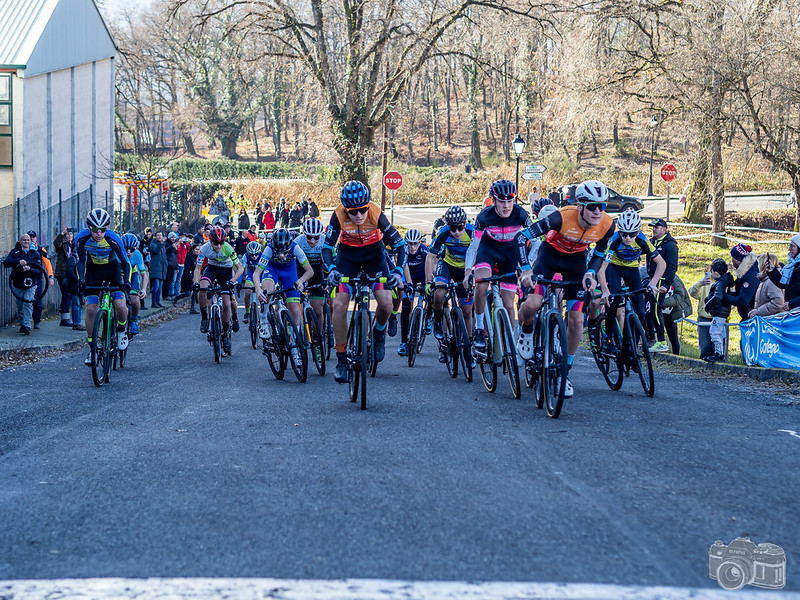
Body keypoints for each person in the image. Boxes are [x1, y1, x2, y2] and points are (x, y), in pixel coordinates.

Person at [516, 180, 616, 397]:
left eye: (602, 206)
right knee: (532, 304)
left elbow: (599, 251)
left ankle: (564, 371)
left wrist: (591, 272)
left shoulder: (608, 225)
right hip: (549, 258)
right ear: (580, 206)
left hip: (576, 263)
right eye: (592, 206)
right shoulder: (560, 217)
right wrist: (525, 269)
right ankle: (525, 328)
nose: (598, 211)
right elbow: (521, 236)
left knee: (577, 319)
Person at [322, 180, 407, 383]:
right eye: (353, 211)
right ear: (345, 209)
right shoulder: (338, 214)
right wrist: (332, 269)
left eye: (362, 210)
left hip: (374, 256)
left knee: (386, 303)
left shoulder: (376, 213)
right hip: (347, 257)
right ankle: (342, 359)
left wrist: (397, 272)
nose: (359, 215)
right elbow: (326, 248)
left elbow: (401, 245)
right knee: (340, 305)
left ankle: (378, 333)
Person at [466, 179, 534, 361]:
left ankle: (509, 345)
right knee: (481, 286)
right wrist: (467, 271)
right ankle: (480, 328)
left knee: (508, 303)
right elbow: (474, 246)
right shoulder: (484, 217)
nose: (506, 205)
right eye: (501, 201)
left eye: (510, 200)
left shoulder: (521, 214)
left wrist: (529, 267)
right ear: (493, 200)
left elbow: (536, 243)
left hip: (510, 254)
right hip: (487, 251)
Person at [597, 210, 665, 353]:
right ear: (619, 232)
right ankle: (608, 339)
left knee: (640, 311)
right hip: (614, 268)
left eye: (632, 234)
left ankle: (630, 345)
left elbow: (662, 264)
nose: (628, 238)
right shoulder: (614, 241)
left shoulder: (642, 240)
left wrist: (653, 283)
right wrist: (605, 290)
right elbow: (601, 268)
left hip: (632, 269)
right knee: (613, 302)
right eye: (624, 234)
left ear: (637, 232)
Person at [75, 208, 131, 365]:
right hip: (93, 272)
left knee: (120, 305)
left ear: (107, 228)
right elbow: (80, 262)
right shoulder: (81, 238)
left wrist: (126, 281)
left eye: (103, 230)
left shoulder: (113, 239)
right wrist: (81, 281)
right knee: (91, 309)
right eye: (95, 229)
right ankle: (92, 349)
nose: (99, 233)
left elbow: (126, 263)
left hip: (112, 271)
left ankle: (121, 331)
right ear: (88, 227)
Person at [426, 205, 474, 355]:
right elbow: (430, 257)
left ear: (465, 224)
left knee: (467, 311)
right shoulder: (443, 232)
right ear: (448, 226)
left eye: (460, 227)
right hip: (447, 265)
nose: (457, 232)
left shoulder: (472, 232)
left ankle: (469, 343)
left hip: (465, 269)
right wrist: (428, 281)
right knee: (439, 294)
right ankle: (438, 320)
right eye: (453, 228)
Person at [193, 225, 244, 357]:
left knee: (227, 304)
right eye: (216, 243)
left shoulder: (227, 248)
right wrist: (196, 282)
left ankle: (226, 334)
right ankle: (204, 318)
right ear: (210, 241)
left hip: (226, 272)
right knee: (203, 288)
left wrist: (232, 281)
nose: (219, 246)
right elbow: (198, 269)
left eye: (221, 242)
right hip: (212, 269)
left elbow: (240, 269)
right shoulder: (204, 248)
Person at [254, 228, 314, 334]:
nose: (282, 256)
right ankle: (263, 319)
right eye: (278, 252)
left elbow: (310, 271)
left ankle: (295, 340)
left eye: (285, 252)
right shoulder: (269, 249)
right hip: (272, 270)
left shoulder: (296, 248)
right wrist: (258, 290)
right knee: (267, 291)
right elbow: (256, 273)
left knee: (294, 309)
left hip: (289, 272)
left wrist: (300, 281)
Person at [645, 218, 679, 352]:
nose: (653, 229)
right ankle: (651, 338)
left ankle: (661, 341)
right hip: (651, 278)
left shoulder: (670, 245)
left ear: (664, 229)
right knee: (648, 311)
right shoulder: (652, 241)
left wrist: (666, 284)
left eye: (656, 227)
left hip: (661, 281)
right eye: (653, 227)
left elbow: (672, 267)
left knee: (655, 310)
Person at [2, 233, 43, 334]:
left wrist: (30, 269)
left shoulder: (35, 253)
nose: (26, 242)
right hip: (17, 283)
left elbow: (39, 271)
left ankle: (27, 325)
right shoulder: (15, 252)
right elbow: (6, 262)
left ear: (30, 241)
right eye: (24, 240)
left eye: (28, 240)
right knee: (20, 304)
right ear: (20, 241)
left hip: (31, 283)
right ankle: (22, 324)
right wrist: (18, 261)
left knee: (28, 302)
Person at [398, 228, 430, 357]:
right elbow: (403, 266)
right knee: (406, 306)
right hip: (409, 275)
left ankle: (428, 318)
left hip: (422, 274)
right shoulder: (404, 250)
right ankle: (404, 342)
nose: (412, 247)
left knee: (430, 292)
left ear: (420, 242)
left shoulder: (423, 250)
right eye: (410, 243)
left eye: (415, 243)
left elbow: (429, 264)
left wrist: (428, 282)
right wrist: (409, 284)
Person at [292, 218, 327, 331]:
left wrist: (326, 281)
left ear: (320, 235)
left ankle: (318, 339)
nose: (312, 241)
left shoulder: (325, 241)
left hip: (318, 274)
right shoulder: (297, 242)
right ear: (304, 234)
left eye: (316, 237)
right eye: (309, 237)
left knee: (318, 310)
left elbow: (330, 262)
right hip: (301, 273)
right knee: (297, 310)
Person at [651, 270, 692, 355]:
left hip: (671, 313)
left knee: (673, 338)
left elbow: (680, 295)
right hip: (658, 312)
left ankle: (676, 355)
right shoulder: (654, 277)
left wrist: (661, 302)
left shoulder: (674, 279)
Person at [703, 258, 734, 362]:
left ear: (716, 273)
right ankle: (719, 353)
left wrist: (708, 305)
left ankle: (718, 354)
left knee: (715, 332)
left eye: (711, 272)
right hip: (722, 312)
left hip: (720, 312)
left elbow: (718, 297)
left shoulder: (720, 283)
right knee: (719, 332)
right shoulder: (725, 281)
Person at [121, 233, 149, 335]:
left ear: (135, 248)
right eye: (126, 249)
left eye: (131, 250)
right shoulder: (116, 252)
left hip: (132, 275)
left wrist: (144, 289)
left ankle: (134, 319)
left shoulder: (137, 255)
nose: (128, 252)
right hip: (118, 274)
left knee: (135, 302)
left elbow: (144, 275)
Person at [723, 243, 759, 321]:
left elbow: (743, 300)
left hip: (752, 318)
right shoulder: (745, 272)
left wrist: (724, 296)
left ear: (736, 259)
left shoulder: (750, 276)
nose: (731, 260)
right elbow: (740, 294)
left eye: (732, 257)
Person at [765, 233, 800, 311]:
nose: (789, 249)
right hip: (793, 312)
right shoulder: (792, 265)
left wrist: (792, 304)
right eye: (789, 246)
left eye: (792, 246)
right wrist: (772, 271)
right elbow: (783, 284)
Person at [54, 226, 79, 327]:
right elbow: (56, 244)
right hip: (62, 272)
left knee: (70, 294)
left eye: (71, 234)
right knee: (66, 294)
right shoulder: (62, 244)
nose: (69, 236)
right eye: (68, 234)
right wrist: (61, 234)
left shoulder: (74, 244)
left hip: (71, 272)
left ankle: (67, 318)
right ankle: (64, 318)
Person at [748, 253, 784, 318]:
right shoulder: (765, 279)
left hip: (773, 322)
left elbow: (778, 302)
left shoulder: (771, 281)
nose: (758, 266)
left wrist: (758, 312)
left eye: (759, 263)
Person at [689, 269, 714, 360]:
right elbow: (692, 292)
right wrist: (700, 284)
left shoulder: (725, 282)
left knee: (718, 346)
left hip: (718, 318)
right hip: (704, 318)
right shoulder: (704, 282)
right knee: (705, 346)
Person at [241, 241, 264, 324]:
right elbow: (242, 269)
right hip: (250, 275)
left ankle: (263, 312)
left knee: (262, 295)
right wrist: (238, 282)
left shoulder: (263, 255)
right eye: (251, 255)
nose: (254, 257)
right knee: (247, 292)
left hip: (261, 275)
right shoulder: (245, 256)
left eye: (256, 254)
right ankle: (247, 312)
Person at [149, 231, 167, 308]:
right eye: (158, 235)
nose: (160, 237)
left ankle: (158, 301)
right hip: (156, 268)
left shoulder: (162, 245)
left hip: (162, 269)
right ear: (155, 236)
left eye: (161, 235)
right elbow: (155, 251)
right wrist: (161, 243)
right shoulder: (153, 244)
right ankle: (153, 302)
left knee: (160, 287)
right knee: (156, 286)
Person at [164, 231, 179, 299]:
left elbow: (176, 256)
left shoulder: (175, 245)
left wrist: (177, 266)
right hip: (168, 264)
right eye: (172, 237)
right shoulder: (166, 244)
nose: (173, 238)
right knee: (167, 280)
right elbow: (165, 250)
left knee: (171, 280)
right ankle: (165, 294)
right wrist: (171, 247)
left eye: (174, 237)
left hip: (173, 264)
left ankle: (170, 293)